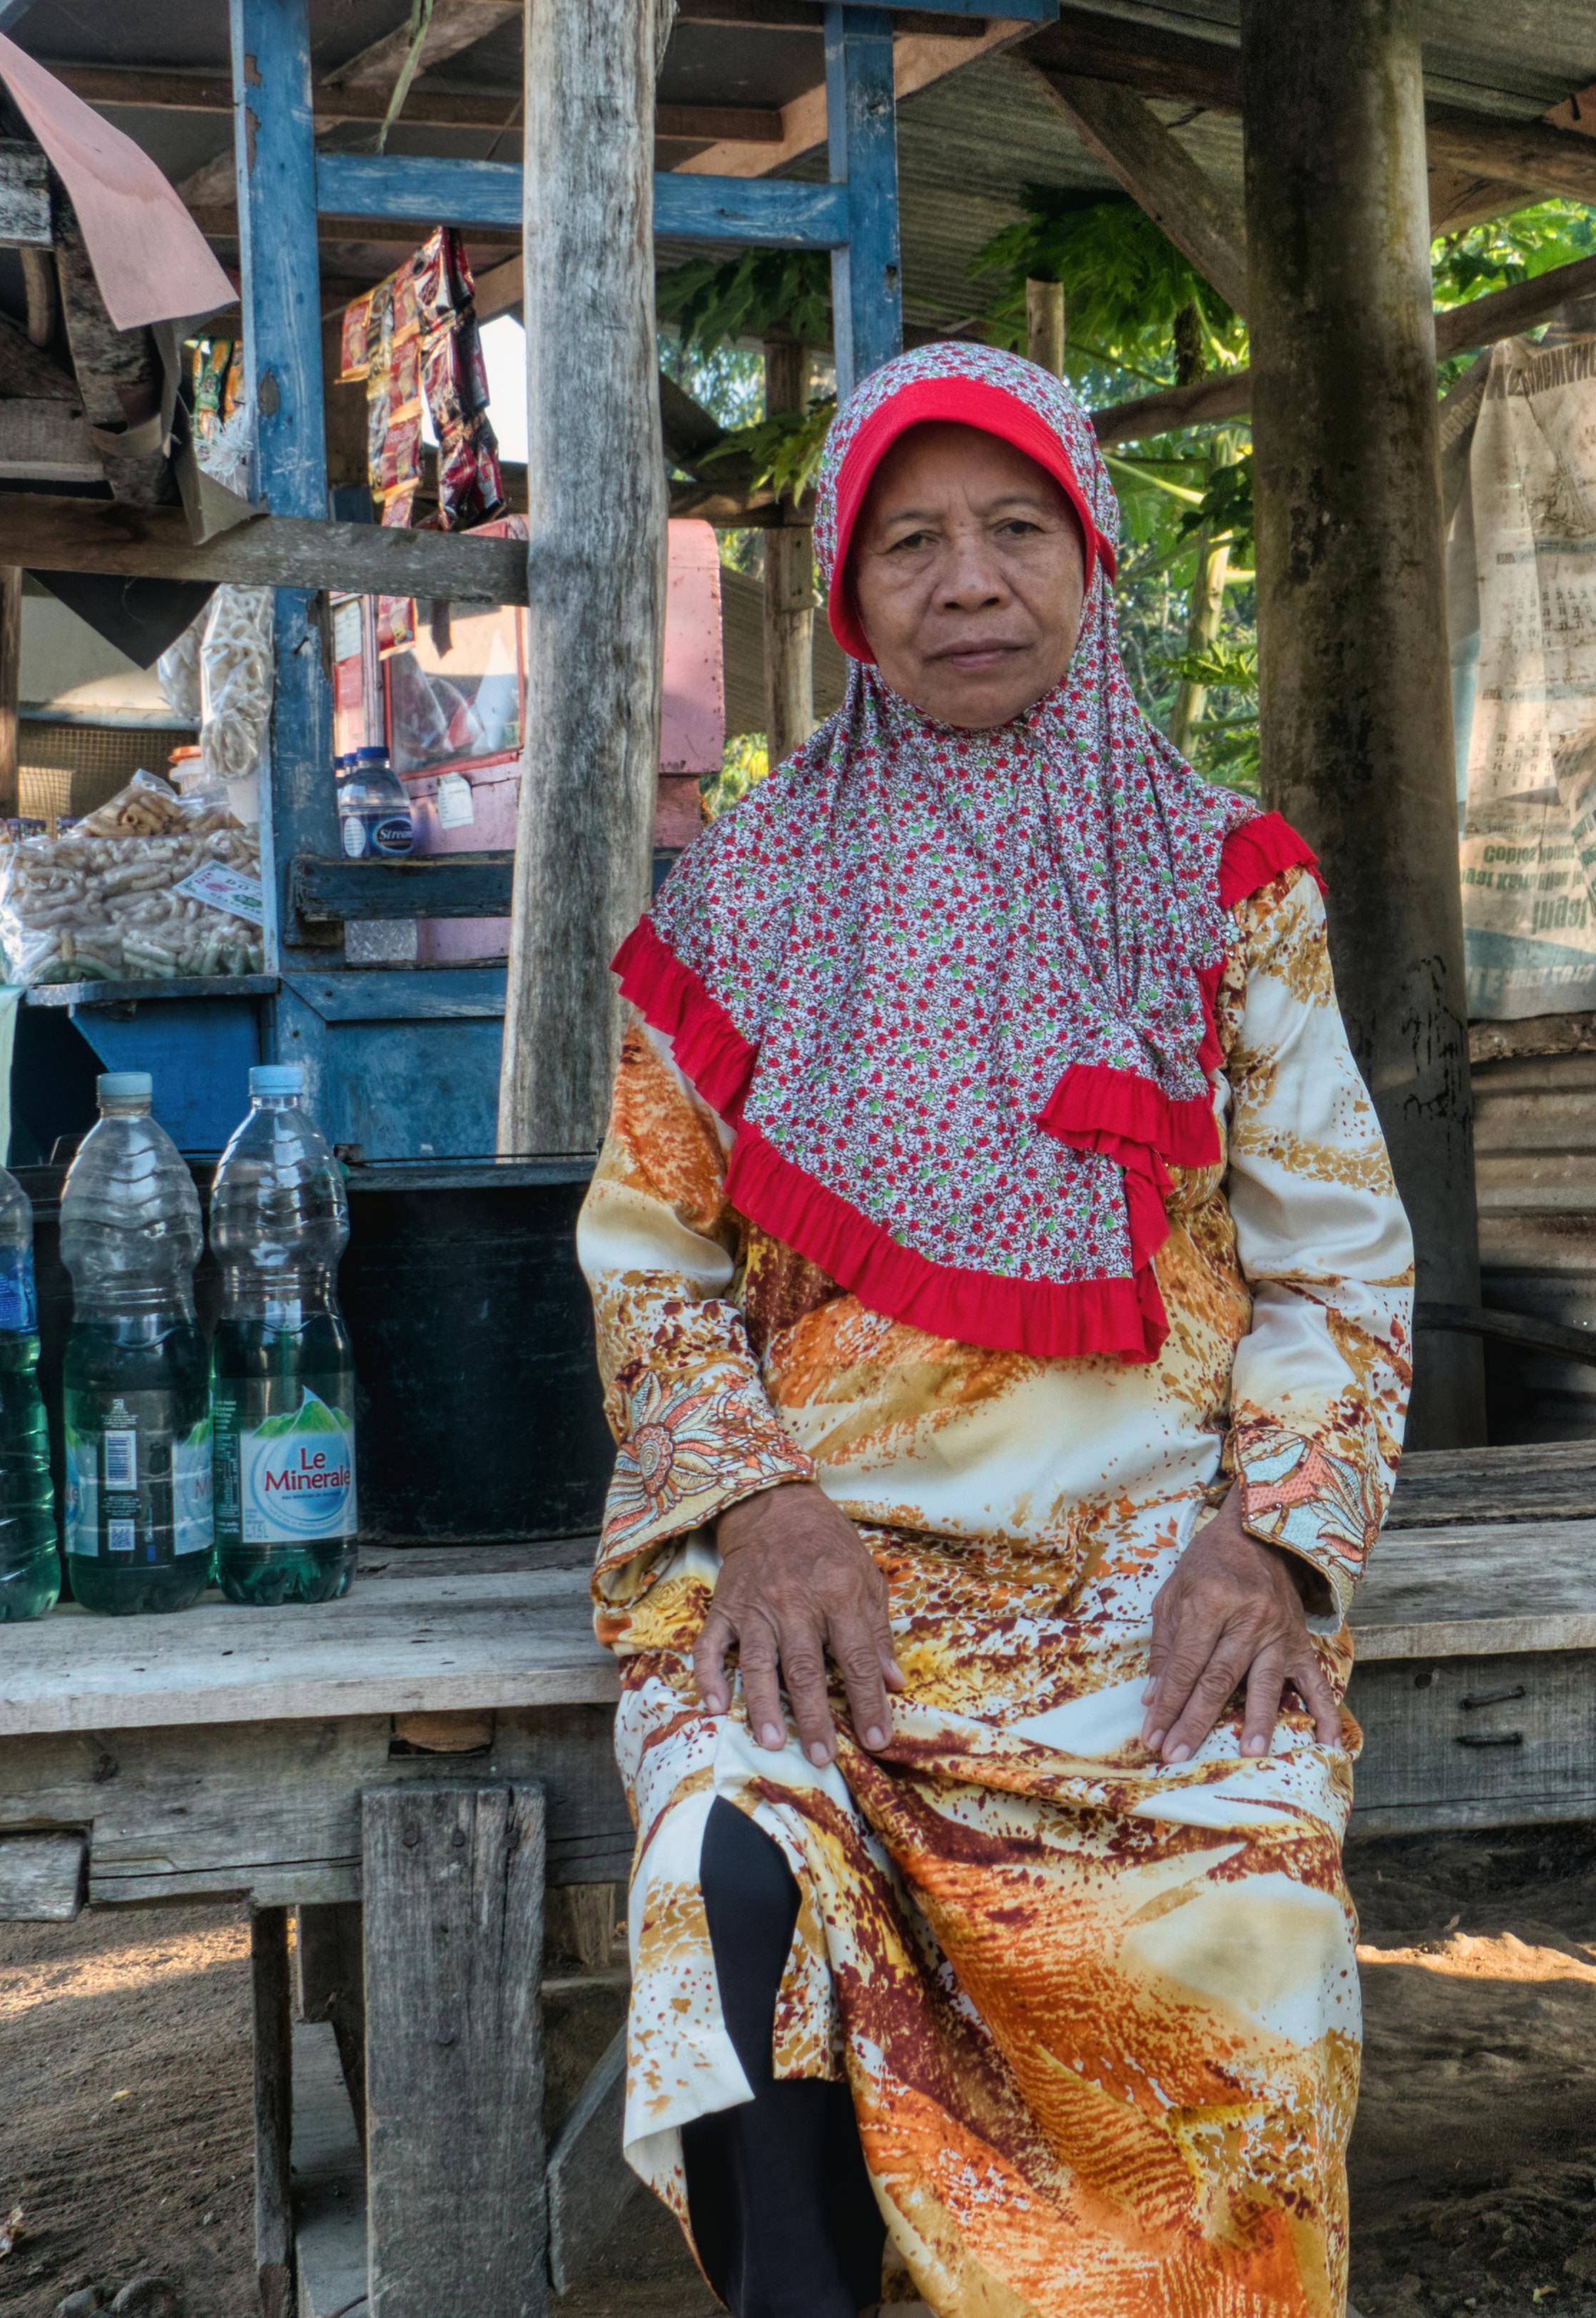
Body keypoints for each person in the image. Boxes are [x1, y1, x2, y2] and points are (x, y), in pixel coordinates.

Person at [582, 341, 1413, 2318]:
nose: (967, 581)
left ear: (1092, 554)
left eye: (1015, 527)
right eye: (912, 543)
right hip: (817, 1566)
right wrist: (761, 1510)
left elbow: (1337, 1267)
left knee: (1247, 1922)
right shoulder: (737, 899)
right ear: (848, 598)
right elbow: (648, 1262)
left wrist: (1270, 1542)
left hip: (1152, 1576)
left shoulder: (1231, 883)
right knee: (729, 1866)